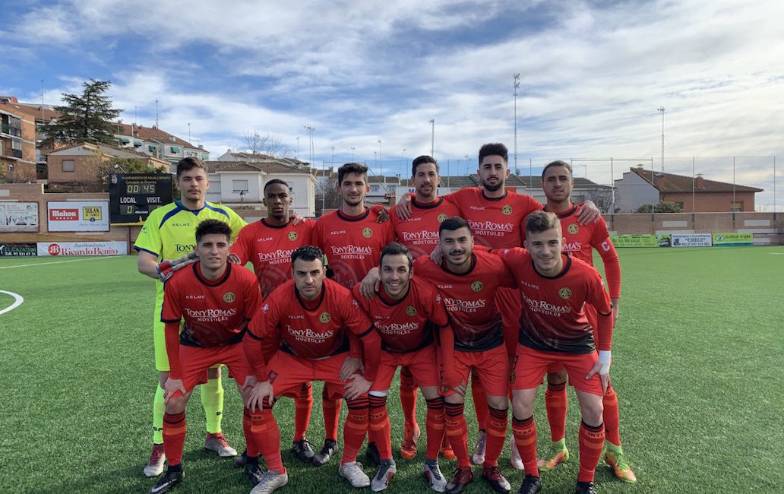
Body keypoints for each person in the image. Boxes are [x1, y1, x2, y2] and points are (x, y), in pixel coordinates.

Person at [396, 144, 599, 468]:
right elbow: (428, 196)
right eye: (487, 167)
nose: (492, 173)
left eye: (498, 167)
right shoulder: (463, 198)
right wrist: (405, 198)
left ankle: (518, 441)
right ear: (479, 172)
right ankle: (485, 433)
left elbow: (554, 210)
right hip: (477, 292)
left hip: (513, 292)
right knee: (481, 372)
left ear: (507, 170)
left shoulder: (525, 202)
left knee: (514, 370)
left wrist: (587, 205)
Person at [135, 157, 246, 477]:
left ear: (207, 182)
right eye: (187, 179)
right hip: (172, 310)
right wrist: (168, 272)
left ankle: (214, 434)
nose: (193, 184)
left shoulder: (224, 215)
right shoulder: (161, 216)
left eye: (199, 178)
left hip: (214, 311)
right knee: (169, 379)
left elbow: (251, 240)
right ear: (178, 183)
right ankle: (159, 445)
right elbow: (144, 262)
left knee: (213, 373)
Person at [243, 246, 382, 493]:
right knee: (258, 402)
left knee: (361, 399)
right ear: (292, 273)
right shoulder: (279, 296)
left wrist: (367, 375)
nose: (309, 280)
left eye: (315, 273)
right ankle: (276, 472)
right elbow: (252, 338)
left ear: (324, 271)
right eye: (302, 273)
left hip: (334, 358)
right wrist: (262, 379)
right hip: (293, 358)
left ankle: (348, 463)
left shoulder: (340, 296)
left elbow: (369, 337)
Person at [499, 211, 614, 494]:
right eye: (538, 244)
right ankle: (531, 476)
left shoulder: (585, 274)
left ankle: (585, 481)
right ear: (526, 245)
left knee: (595, 409)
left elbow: (604, 311)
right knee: (521, 404)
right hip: (534, 345)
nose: (546, 251)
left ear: (563, 242)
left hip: (577, 345)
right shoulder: (517, 260)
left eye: (552, 242)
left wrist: (605, 355)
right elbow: (484, 252)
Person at [147, 219, 265, 493]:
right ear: (197, 248)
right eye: (207, 245)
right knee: (173, 401)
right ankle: (174, 470)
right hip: (194, 345)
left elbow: (255, 328)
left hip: (235, 344)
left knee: (254, 399)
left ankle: (252, 461)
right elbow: (171, 329)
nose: (214, 251)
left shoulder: (246, 279)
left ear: (229, 248)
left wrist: (257, 372)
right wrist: (175, 375)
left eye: (220, 245)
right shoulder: (178, 281)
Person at [537, 161, 636, 482]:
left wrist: (614, 301)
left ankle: (615, 450)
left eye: (562, 179)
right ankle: (558, 447)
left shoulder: (588, 217)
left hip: (587, 315)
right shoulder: (535, 219)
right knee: (555, 380)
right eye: (551, 179)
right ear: (542, 185)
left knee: (601, 381)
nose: (557, 184)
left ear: (571, 184)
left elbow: (611, 258)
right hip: (549, 315)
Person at [414, 217, 516, 494]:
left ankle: (491, 466)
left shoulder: (493, 265)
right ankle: (463, 467)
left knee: (499, 407)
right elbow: (398, 271)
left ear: (473, 241)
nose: (456, 247)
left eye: (462, 240)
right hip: (454, 348)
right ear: (439, 245)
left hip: (492, 345)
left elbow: (525, 276)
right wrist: (374, 274)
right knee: (452, 406)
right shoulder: (426, 266)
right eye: (449, 241)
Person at [370, 155, 460, 461]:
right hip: (408, 298)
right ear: (413, 180)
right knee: (409, 373)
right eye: (420, 174)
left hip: (448, 299)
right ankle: (411, 428)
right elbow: (380, 231)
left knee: (444, 372)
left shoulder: (453, 207)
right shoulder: (399, 212)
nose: (426, 179)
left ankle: (445, 436)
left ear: (439, 178)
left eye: (431, 174)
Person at [312, 162, 394, 465]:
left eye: (359, 183)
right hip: (335, 313)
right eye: (348, 183)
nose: (353, 189)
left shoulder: (381, 220)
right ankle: (330, 440)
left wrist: (376, 270)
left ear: (367, 188)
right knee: (335, 381)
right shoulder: (323, 224)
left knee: (372, 380)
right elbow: (312, 261)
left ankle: (373, 442)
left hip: (374, 312)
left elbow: (394, 258)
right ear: (339, 187)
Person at [353, 242, 451, 492]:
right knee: (374, 401)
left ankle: (431, 462)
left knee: (437, 402)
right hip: (385, 352)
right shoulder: (364, 292)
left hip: (422, 351)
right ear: (378, 271)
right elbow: (353, 326)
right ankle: (386, 462)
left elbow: (443, 325)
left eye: (401, 270)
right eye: (387, 269)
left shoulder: (425, 293)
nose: (394, 277)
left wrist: (446, 363)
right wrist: (355, 357)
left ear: (411, 272)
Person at [231, 179, 316, 464]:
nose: (278, 201)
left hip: (300, 320)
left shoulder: (307, 228)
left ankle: (300, 439)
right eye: (272, 197)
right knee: (258, 383)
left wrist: (379, 211)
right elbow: (234, 261)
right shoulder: (250, 232)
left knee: (303, 384)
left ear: (291, 199)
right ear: (264, 201)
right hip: (266, 321)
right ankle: (253, 447)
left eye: (282, 196)